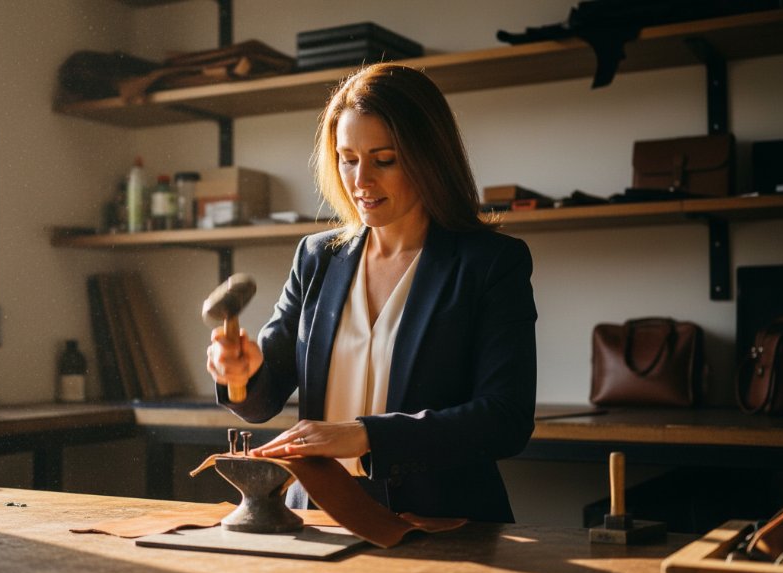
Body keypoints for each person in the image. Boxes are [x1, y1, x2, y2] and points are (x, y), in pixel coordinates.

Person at [205, 63, 537, 522]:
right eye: (347, 158)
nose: (361, 181)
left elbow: (505, 420)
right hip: (318, 518)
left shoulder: (491, 263)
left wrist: (366, 435)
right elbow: (261, 402)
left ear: (429, 158)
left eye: (385, 160)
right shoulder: (317, 257)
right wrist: (239, 374)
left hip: (443, 521)